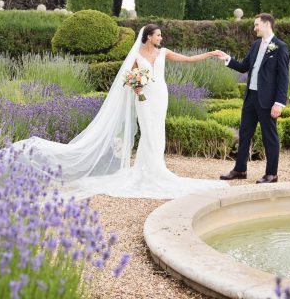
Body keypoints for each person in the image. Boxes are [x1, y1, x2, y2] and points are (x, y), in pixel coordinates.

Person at [12, 24, 229, 199]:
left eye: (161, 35)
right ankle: (148, 169)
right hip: (144, 99)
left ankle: (156, 168)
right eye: (158, 35)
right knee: (148, 131)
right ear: (149, 37)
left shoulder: (164, 52)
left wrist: (211, 53)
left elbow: (189, 60)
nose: (161, 38)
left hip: (160, 96)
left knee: (158, 131)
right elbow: (130, 77)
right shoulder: (137, 55)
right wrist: (137, 87)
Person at [216, 13, 289, 183]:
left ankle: (272, 174)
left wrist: (279, 103)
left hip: (268, 100)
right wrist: (228, 59)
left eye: (256, 25)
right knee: (245, 134)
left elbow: (283, 78)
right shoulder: (256, 45)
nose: (254, 28)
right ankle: (240, 170)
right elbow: (244, 67)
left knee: (269, 137)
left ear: (266, 24)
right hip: (251, 97)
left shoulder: (280, 47)